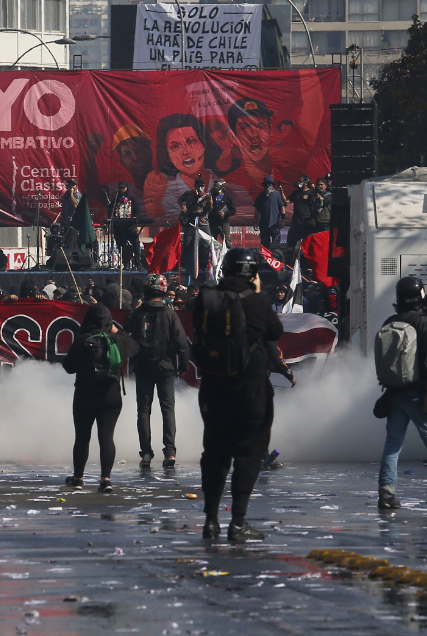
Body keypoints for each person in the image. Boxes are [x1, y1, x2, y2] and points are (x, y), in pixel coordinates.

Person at [193, 248, 283, 542]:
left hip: (213, 387)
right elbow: (275, 331)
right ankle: (238, 522)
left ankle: (210, 520)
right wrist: (256, 294)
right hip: (250, 389)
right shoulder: (257, 302)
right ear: (253, 273)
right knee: (249, 454)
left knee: (215, 453)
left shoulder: (206, 300)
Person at [62, 304, 139, 493]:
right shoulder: (118, 340)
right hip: (111, 395)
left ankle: (78, 478)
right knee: (106, 437)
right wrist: (116, 331)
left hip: (85, 394)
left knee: (82, 437)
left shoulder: (82, 339)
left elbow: (69, 367)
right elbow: (135, 346)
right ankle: (106, 479)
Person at [373, 277, 427, 510]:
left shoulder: (391, 321)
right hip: (418, 392)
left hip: (394, 394)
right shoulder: (423, 322)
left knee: (393, 444)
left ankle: (386, 492)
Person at [126, 273, 189, 469]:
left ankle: (146, 453)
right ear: (163, 291)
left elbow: (126, 327)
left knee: (143, 411)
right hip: (166, 368)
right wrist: (183, 365)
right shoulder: (170, 314)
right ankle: (169, 452)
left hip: (143, 368)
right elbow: (182, 343)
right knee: (167, 410)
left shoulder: (138, 313)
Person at [144, 114, 217, 223]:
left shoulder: (232, 189)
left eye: (191, 141)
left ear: (204, 143)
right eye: (175, 146)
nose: (185, 151)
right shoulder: (162, 196)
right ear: (168, 154)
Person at [178, 177, 211, 283]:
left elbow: (210, 209)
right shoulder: (188, 194)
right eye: (198, 185)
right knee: (187, 242)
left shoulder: (206, 195)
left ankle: (204, 264)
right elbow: (180, 199)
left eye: (201, 186)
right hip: (190, 222)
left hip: (203, 222)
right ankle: (184, 264)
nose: (199, 187)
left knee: (206, 243)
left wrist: (209, 200)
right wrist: (183, 206)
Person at [109, 181, 144, 268]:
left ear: (127, 188)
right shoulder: (115, 201)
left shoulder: (133, 199)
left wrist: (135, 217)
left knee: (135, 244)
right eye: (120, 188)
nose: (122, 190)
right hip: (119, 228)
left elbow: (138, 211)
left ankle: (137, 263)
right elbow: (110, 211)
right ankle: (126, 263)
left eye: (123, 188)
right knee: (122, 246)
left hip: (130, 227)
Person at [254, 176, 286, 247]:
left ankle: (275, 258)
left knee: (276, 246)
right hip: (264, 225)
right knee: (265, 247)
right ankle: (266, 258)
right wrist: (255, 222)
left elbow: (282, 206)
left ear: (272, 185)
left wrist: (283, 219)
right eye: (266, 184)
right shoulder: (261, 195)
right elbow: (257, 209)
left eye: (269, 184)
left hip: (274, 225)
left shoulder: (277, 194)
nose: (268, 186)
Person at [286, 175, 315, 247]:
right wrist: (281, 192)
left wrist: (312, 188)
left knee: (307, 244)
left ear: (306, 183)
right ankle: (290, 257)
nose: (299, 182)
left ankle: (304, 257)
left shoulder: (311, 193)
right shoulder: (295, 193)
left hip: (307, 222)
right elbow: (286, 201)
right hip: (296, 222)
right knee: (291, 243)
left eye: (301, 181)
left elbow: (316, 197)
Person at [208, 179, 236, 248]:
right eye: (215, 186)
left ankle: (228, 256)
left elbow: (233, 210)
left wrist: (225, 214)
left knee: (227, 242)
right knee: (212, 241)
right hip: (213, 222)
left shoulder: (227, 197)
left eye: (217, 185)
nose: (215, 187)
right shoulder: (212, 196)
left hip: (223, 223)